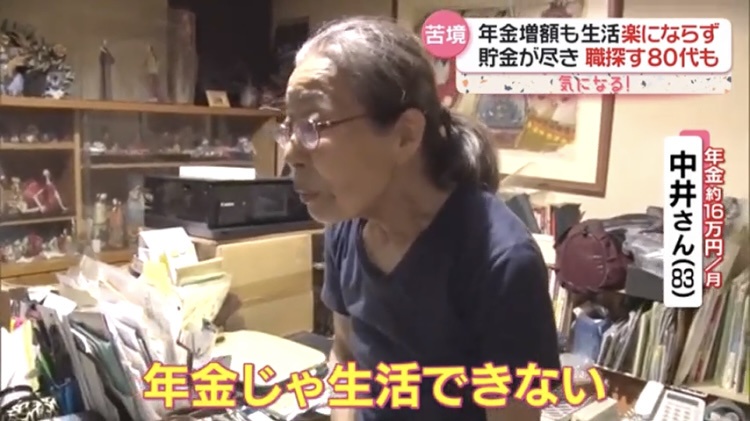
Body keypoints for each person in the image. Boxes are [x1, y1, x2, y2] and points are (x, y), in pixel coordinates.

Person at [279, 16, 560, 421]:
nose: (290, 153)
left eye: (313, 125)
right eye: (289, 127)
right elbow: (346, 354)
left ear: (405, 135)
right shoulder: (345, 223)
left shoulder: (500, 262)